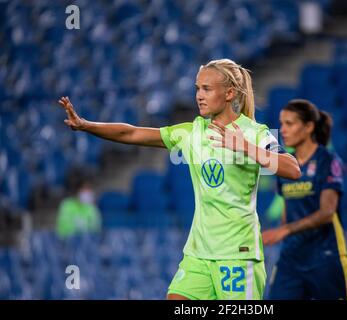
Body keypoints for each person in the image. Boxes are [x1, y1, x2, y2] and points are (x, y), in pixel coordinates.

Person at [58, 58, 301, 300]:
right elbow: (131, 132)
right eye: (197, 88)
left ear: (229, 93)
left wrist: (245, 147)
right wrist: (86, 125)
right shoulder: (191, 132)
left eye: (207, 89)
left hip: (238, 255)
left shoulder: (255, 133)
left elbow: (292, 169)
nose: (199, 95)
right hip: (198, 254)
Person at [262, 99, 347, 300]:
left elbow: (327, 212)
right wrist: (270, 235)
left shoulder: (327, 160)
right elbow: (287, 213)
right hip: (291, 259)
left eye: (289, 124)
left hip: (326, 257)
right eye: (281, 123)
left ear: (309, 126)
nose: (282, 130)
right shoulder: (284, 165)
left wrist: (284, 230)